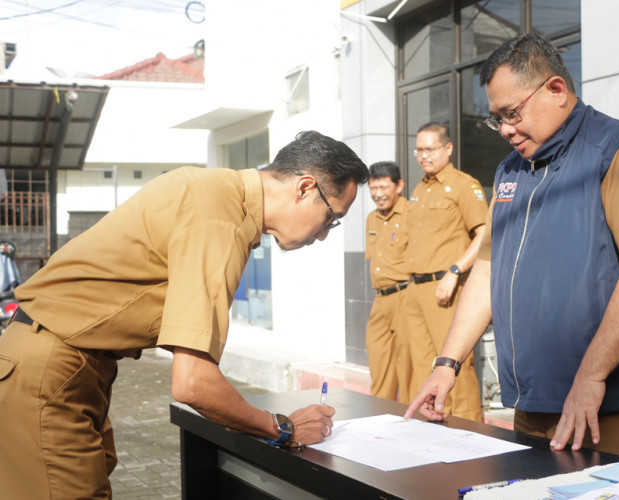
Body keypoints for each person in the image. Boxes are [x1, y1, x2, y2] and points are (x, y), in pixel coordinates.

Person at [0, 130, 369, 499]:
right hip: (50, 365)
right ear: (304, 188)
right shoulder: (220, 220)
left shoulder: (213, 190)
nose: (323, 234)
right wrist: (282, 428)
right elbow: (193, 383)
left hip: (61, 359)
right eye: (331, 218)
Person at [405, 33, 619, 459]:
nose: (506, 130)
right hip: (533, 402)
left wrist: (592, 375)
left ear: (556, 89)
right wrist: (447, 364)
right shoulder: (512, 171)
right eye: (496, 119)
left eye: (512, 113)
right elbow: (489, 270)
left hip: (610, 406)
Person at [403, 122, 488, 421]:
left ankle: (471, 432)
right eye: (419, 150)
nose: (423, 156)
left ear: (448, 148)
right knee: (423, 364)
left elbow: (485, 235)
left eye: (430, 149)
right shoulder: (419, 189)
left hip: (445, 288)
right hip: (415, 289)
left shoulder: (464, 185)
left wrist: (455, 271)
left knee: (454, 366)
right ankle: (433, 429)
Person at [365, 161, 411, 402]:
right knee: (379, 361)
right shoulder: (371, 219)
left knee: (407, 366)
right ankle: (379, 416)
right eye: (373, 188)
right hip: (380, 299)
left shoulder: (412, 214)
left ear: (399, 186)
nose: (378, 194)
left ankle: (408, 422)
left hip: (406, 295)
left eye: (384, 187)